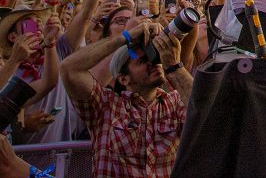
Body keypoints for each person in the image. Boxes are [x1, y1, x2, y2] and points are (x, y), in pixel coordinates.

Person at [61, 20, 191, 178]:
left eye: (154, 56)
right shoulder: (105, 106)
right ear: (123, 79)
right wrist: (126, 37)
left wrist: (175, 67)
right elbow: (69, 69)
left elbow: (207, 116)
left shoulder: (175, 102)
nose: (154, 62)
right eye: (143, 61)